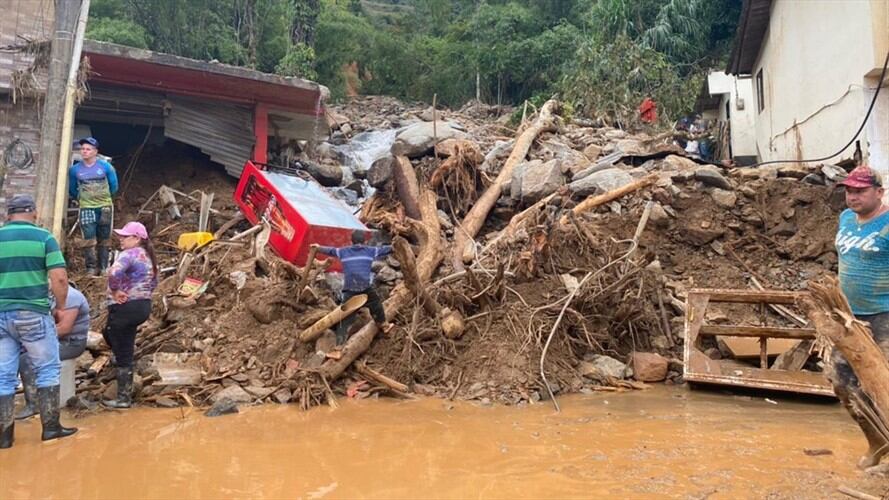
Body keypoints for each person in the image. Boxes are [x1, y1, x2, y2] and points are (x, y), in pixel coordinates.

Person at [0, 194, 77, 449]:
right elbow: (60, 278)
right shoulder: (44, 238)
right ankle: (51, 428)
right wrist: (61, 307)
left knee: (3, 375)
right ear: (33, 212)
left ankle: (4, 437)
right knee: (47, 369)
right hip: (32, 313)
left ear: (8, 214)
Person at [832, 164, 889, 469]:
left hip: (884, 316)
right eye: (849, 190)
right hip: (849, 317)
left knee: (884, 386)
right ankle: (877, 440)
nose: (852, 196)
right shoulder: (845, 219)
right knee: (843, 384)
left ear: (879, 192)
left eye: (860, 190)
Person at [102, 222, 157, 409]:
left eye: (125, 236)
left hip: (125, 306)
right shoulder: (148, 256)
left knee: (119, 343)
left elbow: (114, 272)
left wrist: (116, 290)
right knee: (116, 335)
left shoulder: (129, 254)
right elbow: (154, 281)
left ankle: (123, 398)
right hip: (142, 306)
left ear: (137, 238)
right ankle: (121, 360)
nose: (121, 239)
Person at [15, 284, 90, 420]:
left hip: (71, 344)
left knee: (26, 359)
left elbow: (64, 328)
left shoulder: (71, 297)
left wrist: (36, 338)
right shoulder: (53, 296)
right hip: (56, 340)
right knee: (16, 351)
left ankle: (34, 404)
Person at [312, 230, 394, 348]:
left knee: (345, 317)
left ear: (351, 241)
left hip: (349, 289)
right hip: (365, 287)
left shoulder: (344, 251)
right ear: (364, 241)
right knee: (376, 304)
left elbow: (331, 250)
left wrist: (318, 248)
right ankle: (384, 325)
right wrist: (394, 246)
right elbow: (384, 250)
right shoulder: (370, 251)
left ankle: (338, 347)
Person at [69, 137, 118, 276]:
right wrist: (81, 199)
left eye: (88, 149)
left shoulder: (106, 167)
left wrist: (106, 198)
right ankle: (90, 267)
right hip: (86, 207)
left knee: (104, 236)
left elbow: (114, 186)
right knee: (88, 237)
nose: (84, 151)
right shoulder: (75, 170)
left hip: (105, 207)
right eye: (83, 149)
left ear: (95, 152)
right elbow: (72, 188)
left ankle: (103, 267)